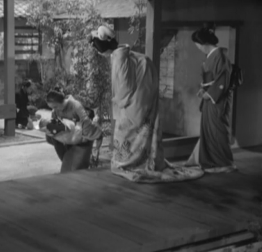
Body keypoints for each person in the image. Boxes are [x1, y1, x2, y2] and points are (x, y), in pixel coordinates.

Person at [89, 25, 204, 183]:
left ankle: (130, 163)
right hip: (147, 103)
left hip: (134, 107)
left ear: (102, 48)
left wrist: (117, 101)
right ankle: (148, 160)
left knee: (127, 138)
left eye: (96, 48)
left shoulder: (119, 58)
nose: (97, 51)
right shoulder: (135, 56)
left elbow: (123, 92)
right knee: (147, 135)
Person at [186, 23, 236, 173]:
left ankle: (224, 162)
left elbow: (222, 79)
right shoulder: (211, 56)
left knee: (218, 129)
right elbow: (209, 79)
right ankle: (211, 161)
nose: (198, 47)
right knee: (208, 129)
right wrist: (203, 90)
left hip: (217, 99)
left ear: (204, 43)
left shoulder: (220, 56)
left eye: (198, 45)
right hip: (209, 97)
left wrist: (209, 93)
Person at [45, 88, 102, 173]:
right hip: (69, 138)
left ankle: (90, 160)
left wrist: (84, 137)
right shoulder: (55, 111)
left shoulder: (75, 105)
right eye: (52, 108)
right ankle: (66, 158)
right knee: (67, 167)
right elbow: (54, 124)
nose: (54, 109)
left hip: (83, 138)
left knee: (77, 169)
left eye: (55, 106)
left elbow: (85, 121)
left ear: (62, 101)